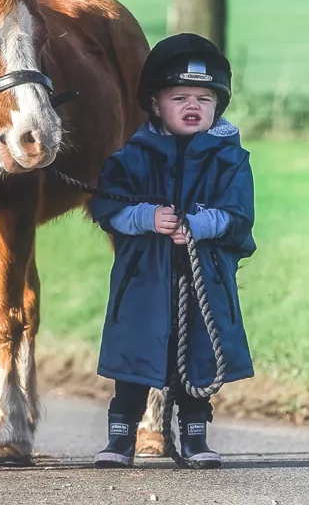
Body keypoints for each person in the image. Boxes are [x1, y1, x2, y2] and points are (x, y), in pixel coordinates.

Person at [89, 33, 256, 469]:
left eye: (204, 97)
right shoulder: (132, 157)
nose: (192, 105)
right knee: (134, 363)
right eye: (179, 96)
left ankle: (195, 437)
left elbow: (238, 216)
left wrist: (198, 225)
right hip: (144, 282)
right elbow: (108, 207)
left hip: (204, 280)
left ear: (218, 105)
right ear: (155, 104)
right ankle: (121, 438)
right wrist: (146, 218)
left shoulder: (230, 159)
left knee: (196, 364)